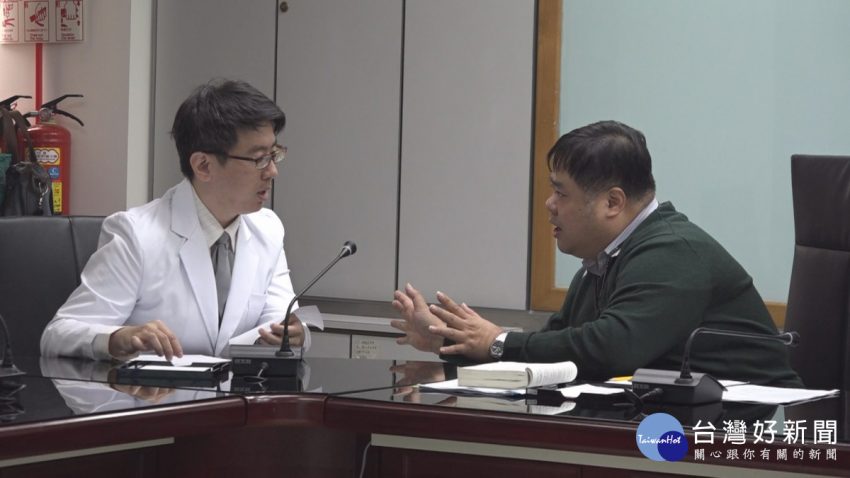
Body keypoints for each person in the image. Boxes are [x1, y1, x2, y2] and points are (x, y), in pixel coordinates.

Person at [391, 120, 802, 387]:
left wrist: (497, 341)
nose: (549, 204)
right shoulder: (604, 261)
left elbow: (611, 349)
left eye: (561, 192)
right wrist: (454, 341)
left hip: (761, 432)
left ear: (612, 202)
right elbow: (555, 349)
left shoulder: (674, 252)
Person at [41, 79, 310, 361]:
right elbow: (58, 334)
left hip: (238, 389)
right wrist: (118, 338)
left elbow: (280, 317)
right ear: (203, 166)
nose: (272, 171)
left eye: (274, 155)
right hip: (149, 389)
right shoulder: (136, 235)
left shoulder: (267, 228)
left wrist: (293, 333)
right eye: (259, 159)